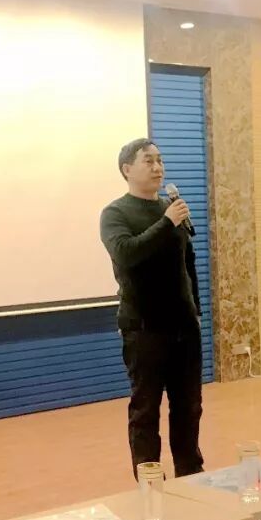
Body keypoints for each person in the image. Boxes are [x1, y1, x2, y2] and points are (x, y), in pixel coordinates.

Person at [100, 138, 205, 479]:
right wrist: (166, 223)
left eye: (160, 160)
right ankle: (151, 485)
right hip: (144, 329)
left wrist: (196, 309)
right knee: (146, 410)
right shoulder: (115, 214)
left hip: (184, 328)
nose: (158, 167)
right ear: (127, 169)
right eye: (149, 161)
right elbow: (127, 253)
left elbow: (187, 262)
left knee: (189, 408)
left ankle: (191, 477)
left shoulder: (171, 208)